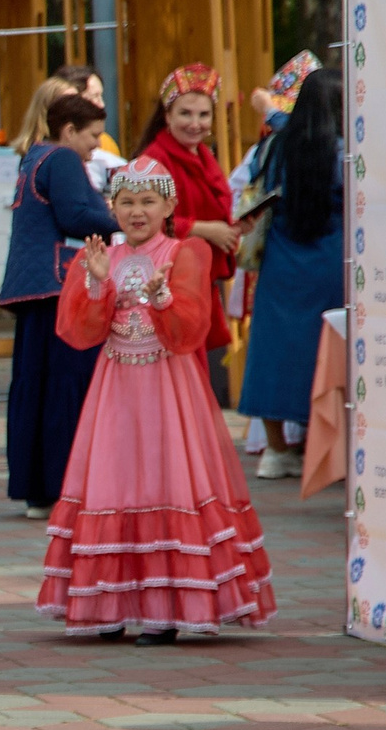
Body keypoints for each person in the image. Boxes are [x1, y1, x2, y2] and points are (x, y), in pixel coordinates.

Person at [37, 157, 275, 641]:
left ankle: (167, 606)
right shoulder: (99, 256)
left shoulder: (186, 252)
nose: (137, 211)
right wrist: (99, 281)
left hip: (170, 386)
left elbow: (191, 331)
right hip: (116, 385)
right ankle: (110, 601)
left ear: (170, 205)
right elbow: (79, 331)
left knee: (167, 476)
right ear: (112, 207)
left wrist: (163, 299)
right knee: (115, 479)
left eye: (148, 201)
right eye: (126, 202)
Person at [0, 93, 117, 520]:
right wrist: (127, 216)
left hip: (32, 290)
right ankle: (62, 487)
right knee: (65, 387)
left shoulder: (34, 157)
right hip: (57, 288)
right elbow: (74, 217)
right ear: (69, 131)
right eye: (93, 136)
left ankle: (36, 489)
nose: (96, 147)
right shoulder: (63, 160)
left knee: (35, 388)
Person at [237, 67, 344, 476]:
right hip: (329, 260)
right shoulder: (343, 152)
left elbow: (256, 179)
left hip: (280, 259)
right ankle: (327, 447)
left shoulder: (277, 146)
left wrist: (268, 108)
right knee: (326, 351)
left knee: (273, 349)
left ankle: (276, 450)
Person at [133, 65, 238, 404]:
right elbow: (142, 220)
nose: (196, 124)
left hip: (197, 277)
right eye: (186, 114)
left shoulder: (203, 155)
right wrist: (204, 229)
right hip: (167, 280)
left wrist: (233, 227)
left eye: (204, 114)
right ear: (167, 115)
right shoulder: (154, 159)